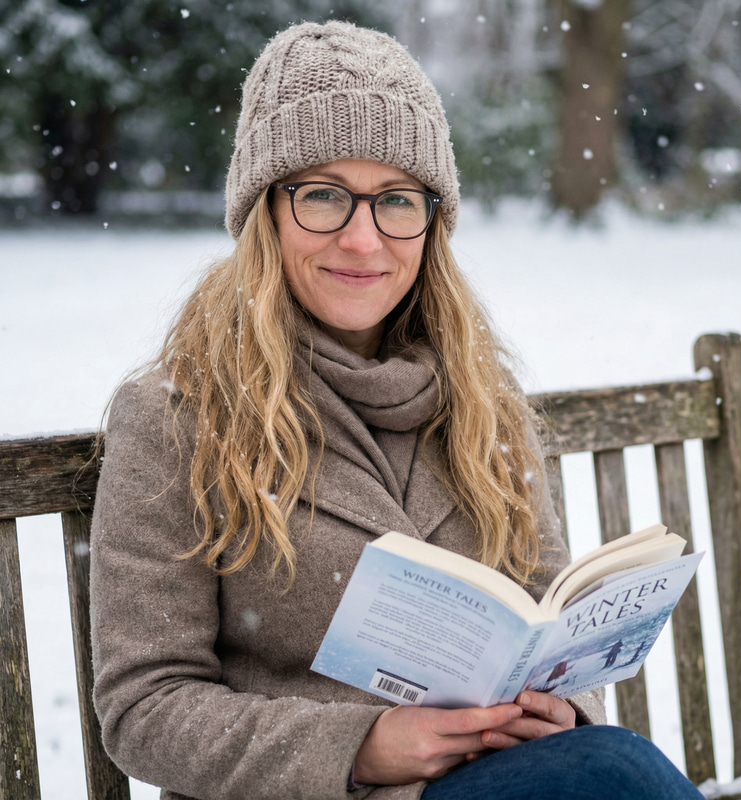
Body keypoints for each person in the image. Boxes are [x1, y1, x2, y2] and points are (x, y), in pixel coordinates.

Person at [90, 20, 705, 800]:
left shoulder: (485, 404)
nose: (362, 239)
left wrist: (561, 709)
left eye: (396, 201)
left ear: (431, 222)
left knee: (602, 761)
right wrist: (361, 746)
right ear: (262, 215)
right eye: (322, 196)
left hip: (495, 779)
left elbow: (550, 617)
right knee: (615, 773)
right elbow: (145, 707)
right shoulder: (177, 418)